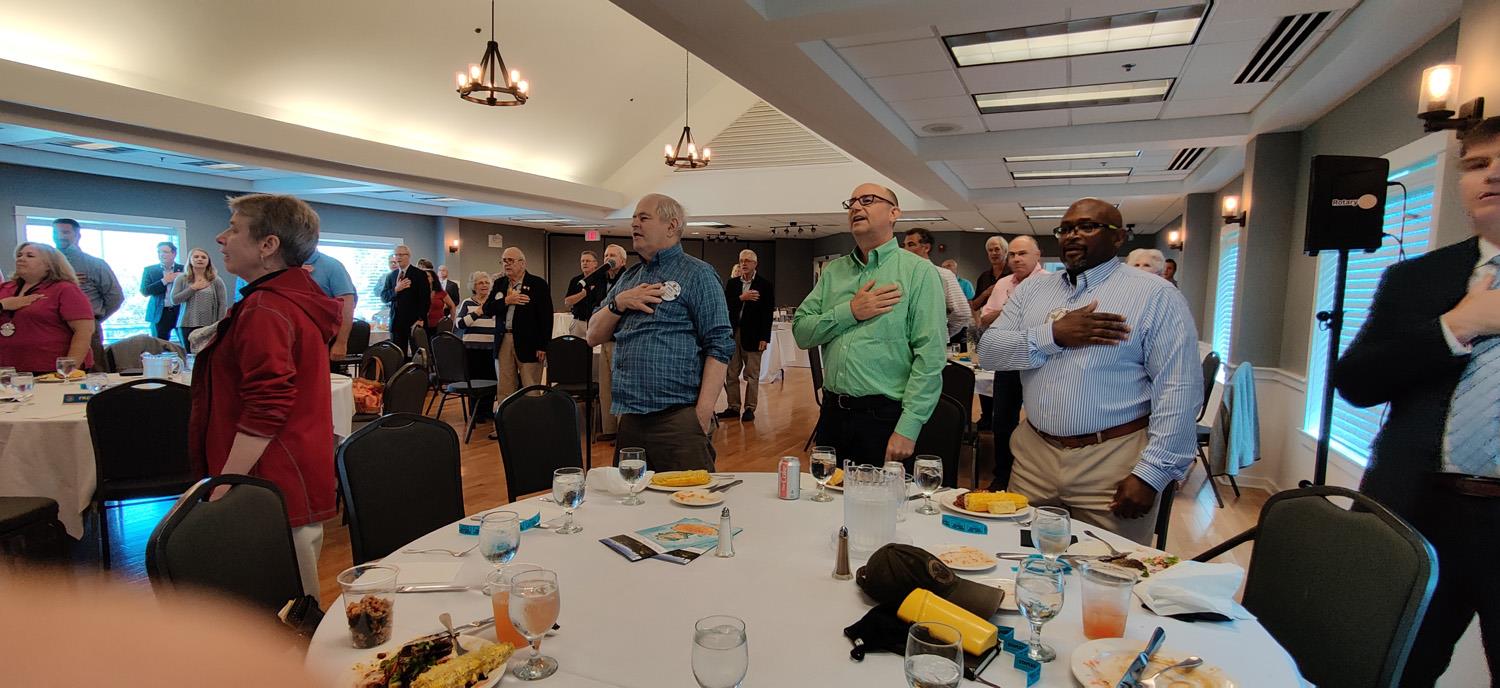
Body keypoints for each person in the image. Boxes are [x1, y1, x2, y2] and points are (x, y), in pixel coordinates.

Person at [1332, 116, 1500, 684]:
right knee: (1392, 669)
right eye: (1477, 164)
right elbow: (1357, 383)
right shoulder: (1417, 279)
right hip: (1421, 511)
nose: (1491, 175)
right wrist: (1457, 326)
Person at [977, 198, 1200, 544]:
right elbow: (990, 352)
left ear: (1118, 237)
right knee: (1022, 558)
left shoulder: (1155, 295)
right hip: (1034, 457)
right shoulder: (1033, 289)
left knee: (1110, 566)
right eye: (1065, 229)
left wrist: (1152, 473)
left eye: (1087, 227)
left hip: (1113, 462)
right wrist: (1053, 335)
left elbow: (1179, 388)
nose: (1072, 236)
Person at [190, 193, 341, 597]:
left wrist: (224, 483)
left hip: (269, 477)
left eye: (234, 229)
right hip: (289, 470)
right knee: (292, 596)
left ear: (268, 245)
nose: (221, 238)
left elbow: (267, 404)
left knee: (280, 607)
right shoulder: (290, 299)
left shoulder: (267, 308)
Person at [794, 184, 945, 466]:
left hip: (885, 419)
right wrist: (850, 312)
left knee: (878, 496)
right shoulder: (834, 271)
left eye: (867, 200)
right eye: (851, 202)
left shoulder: (918, 272)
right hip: (832, 414)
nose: (855, 207)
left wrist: (909, 427)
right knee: (826, 493)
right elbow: (802, 332)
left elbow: (930, 356)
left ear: (894, 213)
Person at [587, 194, 732, 471]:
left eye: (644, 218)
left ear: (671, 225)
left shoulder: (698, 274)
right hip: (630, 419)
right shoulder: (629, 279)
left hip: (678, 418)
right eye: (633, 219)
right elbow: (593, 335)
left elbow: (720, 345)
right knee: (632, 496)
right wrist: (619, 302)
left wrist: (701, 416)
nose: (634, 224)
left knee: (688, 497)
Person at [976, 234, 1049, 490]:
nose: (1017, 259)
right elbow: (984, 320)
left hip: (1039, 362)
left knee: (1040, 420)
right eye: (1013, 254)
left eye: (1023, 253)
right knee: (1002, 421)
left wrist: (1007, 315)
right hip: (1007, 361)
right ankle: (1003, 474)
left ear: (1037, 255)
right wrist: (1011, 311)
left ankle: (1038, 476)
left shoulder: (1051, 284)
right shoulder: (1003, 283)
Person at [0, 242, 96, 373]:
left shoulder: (64, 289)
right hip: (7, 370)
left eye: (30, 256)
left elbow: (84, 331)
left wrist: (68, 370)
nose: (21, 259)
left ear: (49, 265)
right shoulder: (4, 288)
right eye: (19, 255)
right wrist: (4, 304)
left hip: (50, 369)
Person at [476, 247, 551, 402]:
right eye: (504, 261)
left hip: (530, 343)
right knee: (505, 387)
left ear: (522, 263)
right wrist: (506, 301)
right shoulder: (500, 284)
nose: (506, 264)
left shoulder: (538, 284)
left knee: (531, 387)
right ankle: (506, 416)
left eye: (510, 260)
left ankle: (531, 416)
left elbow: (546, 317)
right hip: (504, 339)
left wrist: (543, 345)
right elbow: (487, 309)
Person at [52, 219, 123, 371]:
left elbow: (115, 297)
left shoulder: (95, 264)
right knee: (57, 373)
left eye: (65, 232)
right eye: (55, 232)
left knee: (94, 373)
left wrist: (92, 319)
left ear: (77, 235)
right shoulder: (46, 267)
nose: (59, 236)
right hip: (52, 329)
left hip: (89, 329)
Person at [719, 249, 774, 423]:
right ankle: (733, 407)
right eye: (741, 260)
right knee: (731, 373)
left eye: (748, 261)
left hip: (754, 336)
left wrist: (765, 338)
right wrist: (741, 298)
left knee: (752, 375)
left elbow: (767, 313)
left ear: (755, 264)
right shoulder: (732, 284)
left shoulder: (764, 285)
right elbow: (725, 305)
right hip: (733, 333)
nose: (744, 263)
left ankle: (750, 408)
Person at [587, 243, 629, 441]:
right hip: (604, 339)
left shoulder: (628, 279)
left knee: (619, 386)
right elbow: (595, 306)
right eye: (605, 255)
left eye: (612, 255)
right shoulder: (600, 279)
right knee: (605, 387)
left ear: (623, 260)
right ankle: (609, 428)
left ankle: (623, 430)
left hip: (620, 339)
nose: (608, 258)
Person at [901, 227, 972, 340]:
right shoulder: (900, 275)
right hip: (902, 342)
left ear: (926, 248)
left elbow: (962, 313)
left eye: (911, 245)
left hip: (932, 341)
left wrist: (942, 332)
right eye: (904, 245)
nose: (905, 250)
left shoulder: (943, 275)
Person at [301, 251, 357, 360]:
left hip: (322, 339)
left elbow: (347, 305)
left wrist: (341, 343)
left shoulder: (332, 266)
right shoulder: (282, 263)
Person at [168, 248, 230, 345]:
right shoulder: (181, 278)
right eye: (196, 257)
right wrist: (193, 288)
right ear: (190, 260)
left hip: (209, 325)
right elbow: (174, 300)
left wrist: (219, 324)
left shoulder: (215, 280)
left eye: (203, 257)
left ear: (208, 261)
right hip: (186, 324)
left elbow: (222, 304)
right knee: (189, 353)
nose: (200, 259)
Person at [454, 270, 498, 385]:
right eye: (480, 283)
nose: (484, 285)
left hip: (491, 349)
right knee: (474, 383)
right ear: (474, 286)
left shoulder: (494, 303)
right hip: (471, 349)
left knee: (491, 382)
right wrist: (477, 313)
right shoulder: (467, 303)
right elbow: (459, 324)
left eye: (487, 282)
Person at [383, 245, 429, 354]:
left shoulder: (419, 274)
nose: (398, 257)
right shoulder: (391, 276)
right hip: (396, 323)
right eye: (396, 255)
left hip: (414, 322)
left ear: (408, 256)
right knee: (398, 355)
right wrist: (396, 289)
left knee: (418, 354)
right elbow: (384, 297)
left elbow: (425, 299)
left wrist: (421, 318)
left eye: (401, 255)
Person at [140, 242, 183, 342]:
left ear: (174, 254)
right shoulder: (150, 270)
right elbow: (144, 291)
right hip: (160, 313)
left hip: (180, 312)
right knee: (159, 346)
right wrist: (164, 281)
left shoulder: (184, 269)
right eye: (159, 252)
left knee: (187, 344)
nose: (161, 254)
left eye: (165, 252)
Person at [561, 251, 601, 338]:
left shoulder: (602, 280)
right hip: (578, 322)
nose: (584, 263)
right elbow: (567, 302)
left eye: (588, 261)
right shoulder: (575, 280)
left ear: (595, 263)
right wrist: (583, 294)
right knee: (575, 346)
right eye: (582, 261)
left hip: (596, 321)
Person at [971, 235, 1010, 314]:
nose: (993, 253)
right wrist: (986, 293)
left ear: (1005, 251)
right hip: (986, 320)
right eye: (990, 250)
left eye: (997, 249)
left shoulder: (1013, 275)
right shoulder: (984, 277)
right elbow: (974, 306)